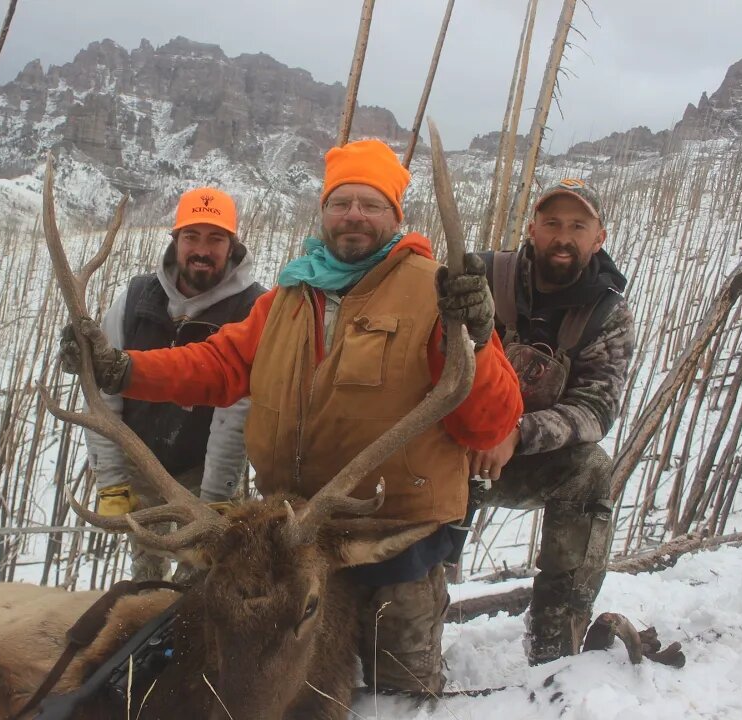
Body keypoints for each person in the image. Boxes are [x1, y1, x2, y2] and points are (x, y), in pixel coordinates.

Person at [60, 139, 523, 695]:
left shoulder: (435, 292)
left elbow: (489, 425)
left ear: (395, 216)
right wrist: (123, 370)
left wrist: (475, 339)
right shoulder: (291, 293)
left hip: (392, 543)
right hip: (289, 547)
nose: (354, 214)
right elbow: (219, 364)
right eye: (341, 202)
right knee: (267, 691)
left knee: (397, 697)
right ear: (324, 212)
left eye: (371, 204)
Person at [454, 177, 635, 666]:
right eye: (552, 222)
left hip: (523, 458)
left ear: (599, 238)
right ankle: (406, 623)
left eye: (578, 225)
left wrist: (516, 435)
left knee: (591, 469)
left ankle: (556, 637)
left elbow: (596, 409)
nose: (563, 235)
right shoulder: (483, 276)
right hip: (448, 447)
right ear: (532, 228)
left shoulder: (608, 315)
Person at [85, 187, 267, 583]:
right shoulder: (134, 300)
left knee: (202, 577)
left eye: (215, 239)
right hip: (140, 461)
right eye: (192, 237)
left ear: (233, 245)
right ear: (175, 241)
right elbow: (104, 396)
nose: (202, 250)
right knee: (145, 574)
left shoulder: (251, 310)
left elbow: (235, 413)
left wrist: (216, 499)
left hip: (203, 467)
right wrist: (113, 483)